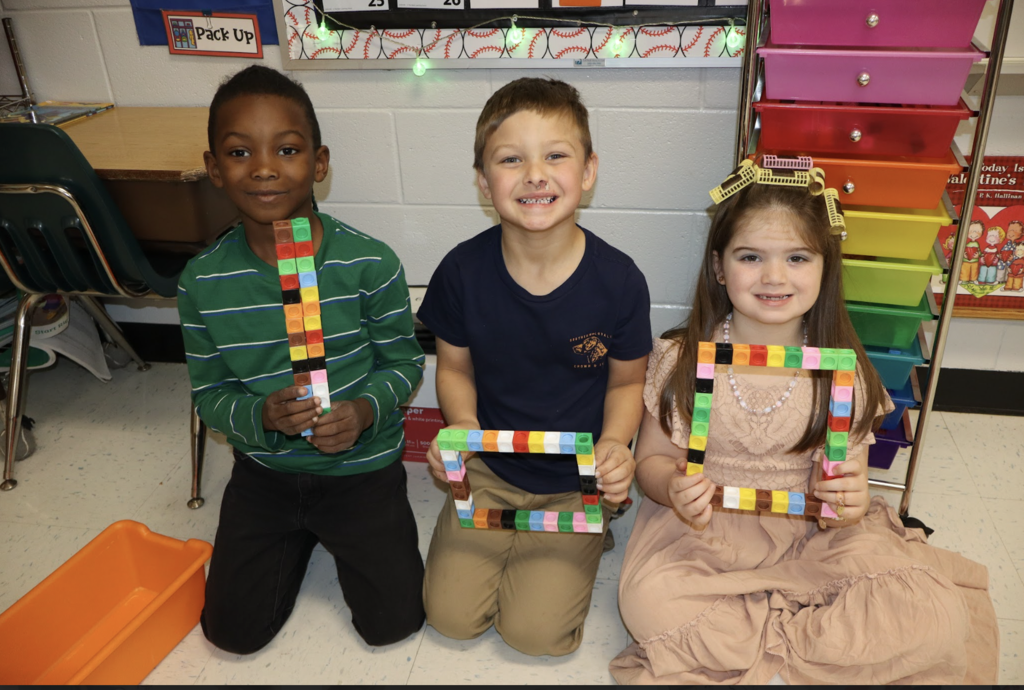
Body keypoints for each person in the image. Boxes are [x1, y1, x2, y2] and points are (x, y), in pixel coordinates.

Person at [609, 174, 999, 684]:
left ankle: (764, 635)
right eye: (750, 257)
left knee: (935, 617)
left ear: (824, 268)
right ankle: (803, 634)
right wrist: (671, 487)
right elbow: (652, 463)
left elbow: (848, 482)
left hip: (812, 534)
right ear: (719, 269)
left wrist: (851, 500)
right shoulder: (681, 357)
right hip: (704, 533)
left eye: (797, 258)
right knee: (649, 605)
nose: (774, 276)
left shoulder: (844, 370)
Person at [177, 65, 426, 654]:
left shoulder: (370, 264)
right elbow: (208, 396)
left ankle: (329, 530)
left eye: (287, 150)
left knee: (395, 624)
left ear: (319, 163)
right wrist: (260, 416)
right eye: (240, 152)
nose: (264, 168)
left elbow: (403, 362)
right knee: (231, 635)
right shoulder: (201, 282)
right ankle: (297, 534)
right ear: (214, 167)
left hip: (360, 471)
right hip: (266, 474)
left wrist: (365, 411)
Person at [416, 77, 652, 656]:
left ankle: (600, 528)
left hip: (576, 483)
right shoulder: (460, 272)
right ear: (483, 180)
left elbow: (626, 381)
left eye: (555, 156)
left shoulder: (620, 281)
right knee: (451, 619)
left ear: (588, 170)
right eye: (510, 159)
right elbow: (453, 369)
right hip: (491, 472)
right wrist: (464, 427)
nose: (535, 174)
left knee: (536, 634)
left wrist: (616, 446)